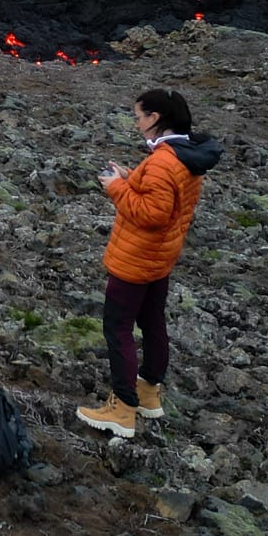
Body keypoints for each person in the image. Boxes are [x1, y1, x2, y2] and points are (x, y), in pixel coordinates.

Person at [76, 88, 222, 438]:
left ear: (155, 118)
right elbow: (165, 198)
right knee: (153, 320)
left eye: (139, 116)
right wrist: (131, 178)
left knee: (118, 327)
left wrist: (115, 188)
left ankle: (123, 409)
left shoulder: (162, 161)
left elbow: (151, 214)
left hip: (137, 258)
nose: (136, 122)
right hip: (161, 257)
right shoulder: (186, 155)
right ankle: (148, 392)